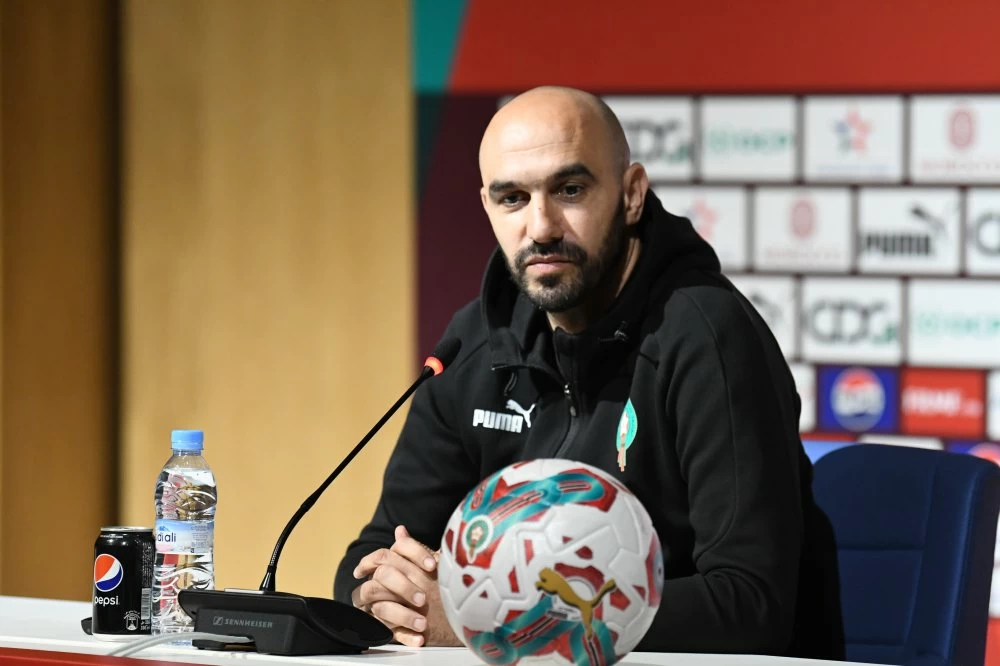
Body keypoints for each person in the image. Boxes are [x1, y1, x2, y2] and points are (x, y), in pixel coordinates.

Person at [334, 86, 844, 657]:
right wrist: (384, 595)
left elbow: (750, 604)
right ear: (487, 208)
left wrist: (499, 622)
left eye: (569, 190)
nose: (542, 225)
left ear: (631, 195)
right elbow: (375, 554)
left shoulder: (709, 338)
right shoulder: (474, 344)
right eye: (512, 199)